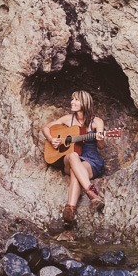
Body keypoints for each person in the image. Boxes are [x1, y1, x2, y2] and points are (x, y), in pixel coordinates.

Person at [42, 90, 106, 225]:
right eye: (72, 99)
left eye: (76, 100)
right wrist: (51, 138)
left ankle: (69, 211)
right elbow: (46, 128)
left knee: (76, 172)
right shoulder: (67, 119)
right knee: (73, 155)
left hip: (90, 160)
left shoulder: (97, 122)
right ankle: (92, 193)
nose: (72, 102)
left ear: (85, 103)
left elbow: (101, 146)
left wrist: (100, 138)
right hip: (69, 160)